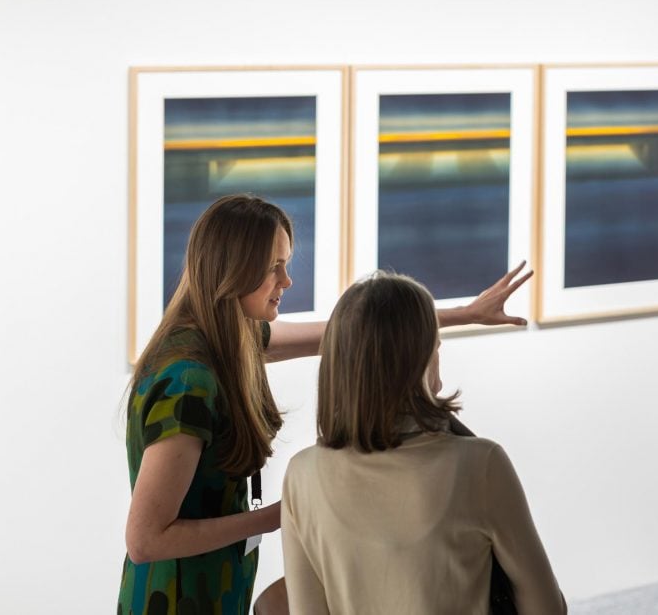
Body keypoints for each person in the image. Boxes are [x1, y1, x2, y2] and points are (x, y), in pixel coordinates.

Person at [118, 194, 532, 615]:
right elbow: (145, 540)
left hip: (218, 588)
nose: (286, 281)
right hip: (175, 601)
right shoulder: (188, 380)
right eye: (273, 267)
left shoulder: (227, 339)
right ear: (233, 269)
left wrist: (463, 314)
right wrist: (288, 511)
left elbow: (350, 329)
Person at [281, 271, 567, 614]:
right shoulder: (480, 464)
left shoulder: (301, 473)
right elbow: (547, 607)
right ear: (418, 358)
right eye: (436, 346)